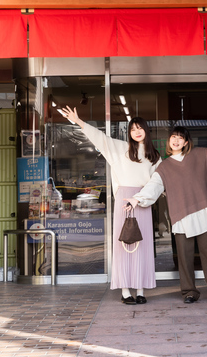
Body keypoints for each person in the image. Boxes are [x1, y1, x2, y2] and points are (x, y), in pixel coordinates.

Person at [127, 125, 207, 304]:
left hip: (203, 211)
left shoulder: (199, 155)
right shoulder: (164, 167)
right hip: (181, 216)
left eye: (181, 138)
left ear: (186, 142)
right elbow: (154, 186)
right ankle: (189, 291)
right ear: (169, 141)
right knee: (184, 257)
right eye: (174, 137)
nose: (176, 140)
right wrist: (137, 199)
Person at [57, 106, 160, 305]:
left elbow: (157, 183)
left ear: (146, 130)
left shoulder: (154, 155)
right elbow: (100, 138)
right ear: (129, 133)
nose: (137, 132)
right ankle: (125, 290)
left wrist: (139, 198)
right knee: (124, 244)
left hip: (143, 200)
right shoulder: (121, 148)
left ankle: (140, 289)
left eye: (140, 128)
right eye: (133, 129)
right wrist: (78, 121)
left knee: (143, 245)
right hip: (124, 199)